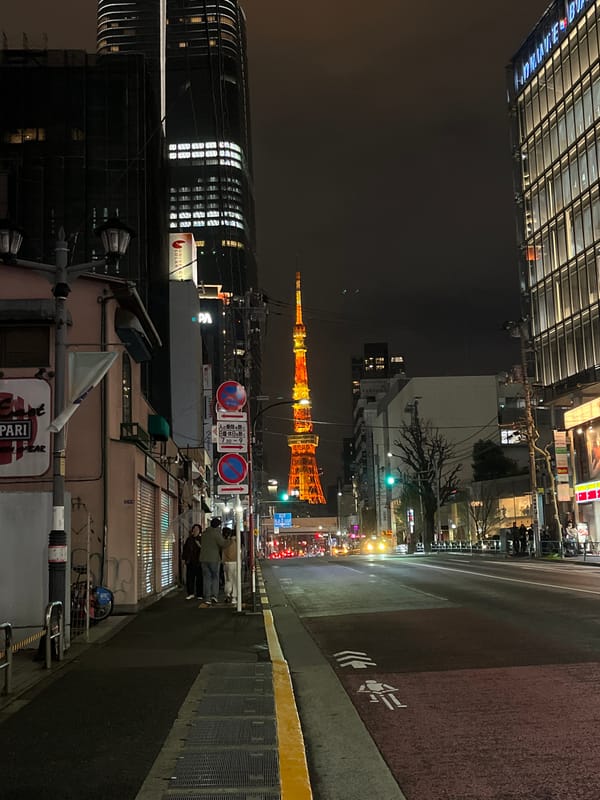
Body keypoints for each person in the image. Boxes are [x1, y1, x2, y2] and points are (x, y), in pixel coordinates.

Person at [198, 517, 227, 607]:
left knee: (206, 578)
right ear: (218, 526)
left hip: (203, 559)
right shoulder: (216, 533)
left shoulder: (204, 533)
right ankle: (214, 596)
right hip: (214, 559)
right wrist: (230, 541)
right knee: (215, 577)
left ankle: (207, 598)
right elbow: (223, 544)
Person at [182, 524, 202, 600]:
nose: (195, 530)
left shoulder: (201, 539)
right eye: (194, 529)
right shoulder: (189, 539)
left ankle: (199, 594)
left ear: (200, 531)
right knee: (190, 578)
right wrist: (184, 559)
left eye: (197, 529)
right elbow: (185, 550)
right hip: (190, 561)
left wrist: (199, 545)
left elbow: (204, 550)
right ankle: (190, 593)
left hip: (199, 561)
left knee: (199, 578)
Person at [222, 527, 238, 605]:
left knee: (227, 579)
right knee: (234, 580)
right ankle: (234, 597)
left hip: (225, 563)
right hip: (234, 562)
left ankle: (227, 594)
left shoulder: (224, 542)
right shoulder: (234, 542)